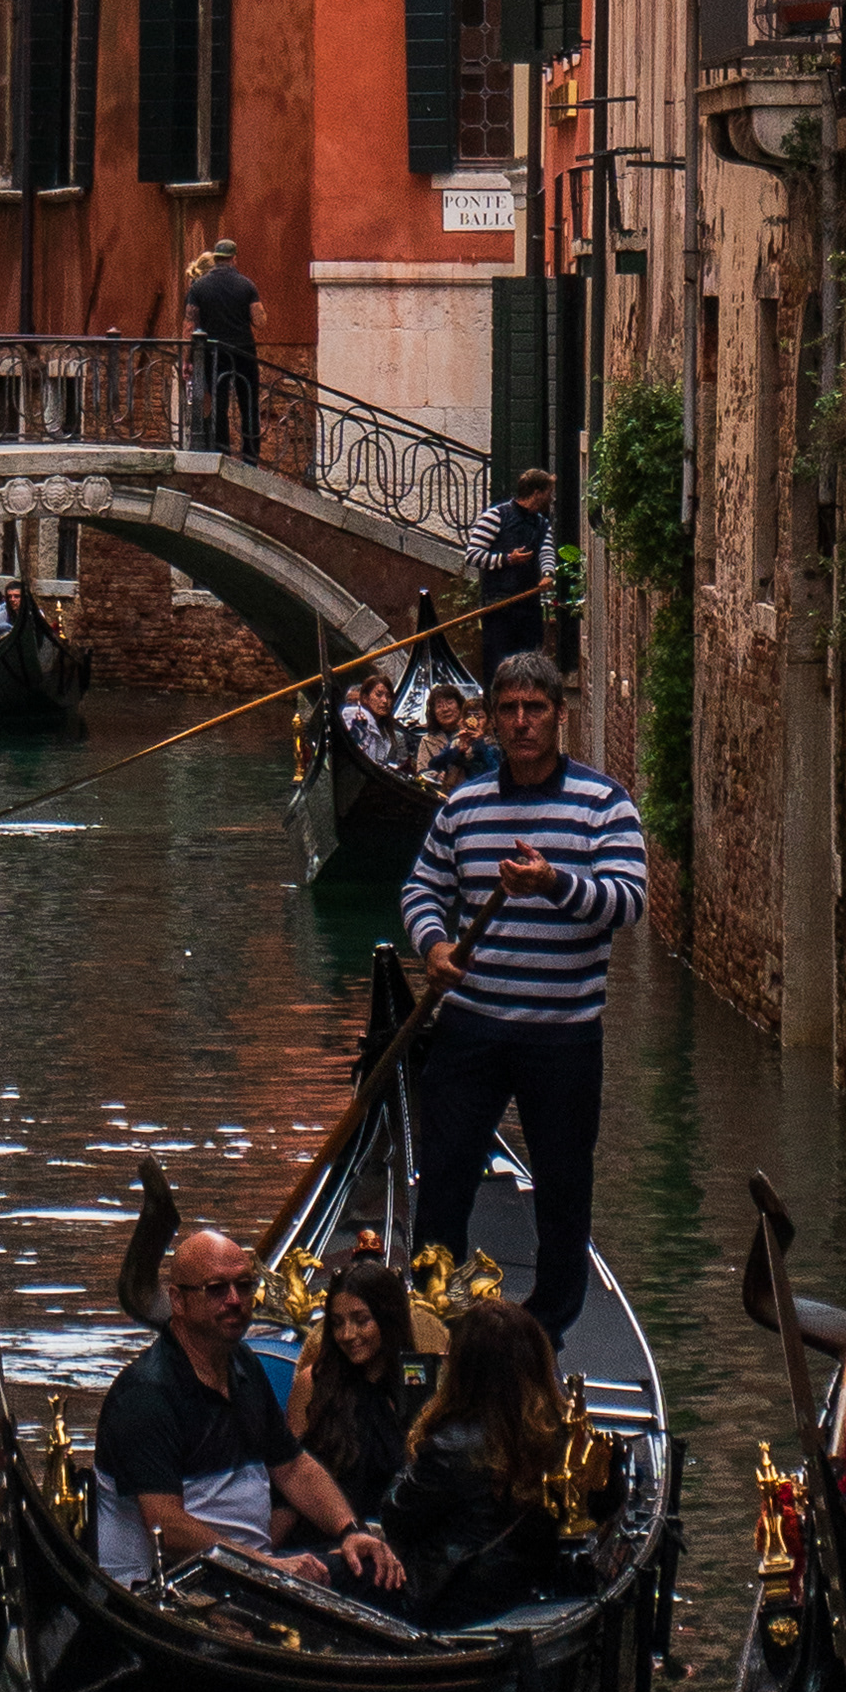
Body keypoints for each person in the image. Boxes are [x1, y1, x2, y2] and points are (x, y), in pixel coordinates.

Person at [402, 646, 646, 1339]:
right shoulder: (464, 806)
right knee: (444, 1174)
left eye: (534, 708)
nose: (521, 722)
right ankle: (433, 1313)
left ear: (557, 715)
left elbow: (628, 903)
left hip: (563, 1034)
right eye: (508, 709)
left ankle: (547, 1327)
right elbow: (422, 888)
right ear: (493, 719)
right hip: (471, 1025)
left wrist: (554, 883)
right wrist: (435, 946)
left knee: (563, 1185)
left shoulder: (603, 805)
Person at [91, 1227, 404, 1596]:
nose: (235, 1300)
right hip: (167, 1585)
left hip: (246, 1572)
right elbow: (167, 1526)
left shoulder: (243, 1365)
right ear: (177, 1300)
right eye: (216, 1289)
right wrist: (265, 1567)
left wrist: (351, 1531)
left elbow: (293, 1467)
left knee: (377, 1566)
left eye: (244, 1285)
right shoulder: (145, 1394)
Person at [386, 1294, 574, 1621]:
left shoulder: (447, 1445)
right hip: (529, 1592)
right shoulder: (563, 1433)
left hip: (447, 1603)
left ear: (463, 1369)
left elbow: (396, 1518)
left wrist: (414, 1451)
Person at [284, 1255, 419, 1538]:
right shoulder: (313, 1383)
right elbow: (288, 1479)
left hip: (397, 1536)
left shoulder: (416, 1382)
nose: (347, 1334)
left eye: (361, 1320)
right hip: (326, 1536)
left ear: (388, 1319)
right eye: (337, 1323)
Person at [468, 465, 555, 684]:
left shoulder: (542, 524)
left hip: (528, 606)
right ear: (537, 493)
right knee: (498, 666)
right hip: (498, 606)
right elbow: (473, 555)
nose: (551, 498)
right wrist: (507, 559)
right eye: (549, 493)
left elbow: (546, 551)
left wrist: (548, 574)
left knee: (530, 667)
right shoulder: (496, 516)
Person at [185, 237, 261, 463]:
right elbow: (260, 321)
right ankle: (251, 457)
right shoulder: (247, 285)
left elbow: (189, 326)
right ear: (234, 258)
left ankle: (222, 452)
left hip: (214, 352)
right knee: (249, 404)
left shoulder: (199, 287)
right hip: (244, 352)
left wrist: (187, 359)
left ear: (216, 258)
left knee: (219, 404)